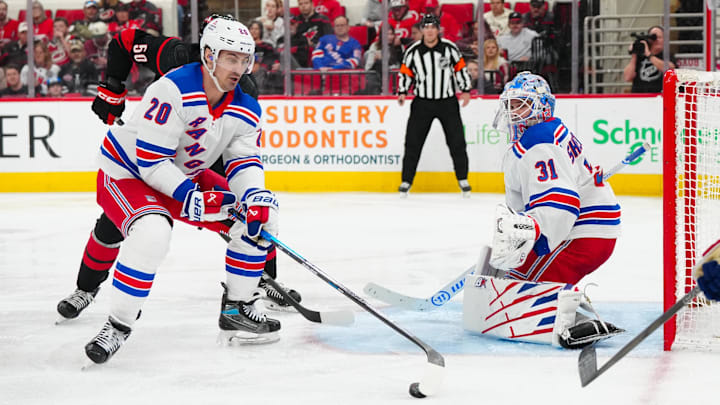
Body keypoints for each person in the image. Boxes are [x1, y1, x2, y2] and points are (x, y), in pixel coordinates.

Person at [57, 22, 298, 324]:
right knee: (117, 226)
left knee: (249, 213)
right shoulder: (175, 55)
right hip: (148, 156)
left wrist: (247, 196)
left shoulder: (241, 90)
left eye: (242, 59)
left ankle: (257, 282)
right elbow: (125, 41)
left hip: (196, 158)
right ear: (207, 53)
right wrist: (113, 87)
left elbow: (240, 151)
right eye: (228, 56)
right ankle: (86, 288)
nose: (234, 68)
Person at [468, 72, 625, 348]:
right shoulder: (544, 133)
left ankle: (568, 321)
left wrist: (536, 236)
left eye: (521, 104)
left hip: (580, 235)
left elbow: (561, 202)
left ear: (542, 106)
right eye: (511, 104)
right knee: (512, 278)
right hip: (586, 230)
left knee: (515, 293)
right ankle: (566, 303)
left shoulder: (539, 142)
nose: (512, 111)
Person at [397, 14, 472, 197]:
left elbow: (460, 69)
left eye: (433, 27)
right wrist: (402, 91)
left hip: (447, 102)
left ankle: (463, 179)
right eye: (426, 27)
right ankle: (406, 181)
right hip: (422, 102)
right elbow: (406, 72)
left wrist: (466, 89)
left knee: (457, 142)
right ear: (422, 30)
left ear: (438, 29)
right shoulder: (413, 51)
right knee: (413, 143)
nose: (430, 31)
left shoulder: (450, 48)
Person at [623, 26, 676, 93]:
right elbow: (627, 77)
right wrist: (634, 54)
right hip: (639, 97)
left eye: (659, 37)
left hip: (659, 97)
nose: (657, 40)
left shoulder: (667, 56)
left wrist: (648, 54)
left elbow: (670, 70)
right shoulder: (640, 57)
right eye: (654, 37)